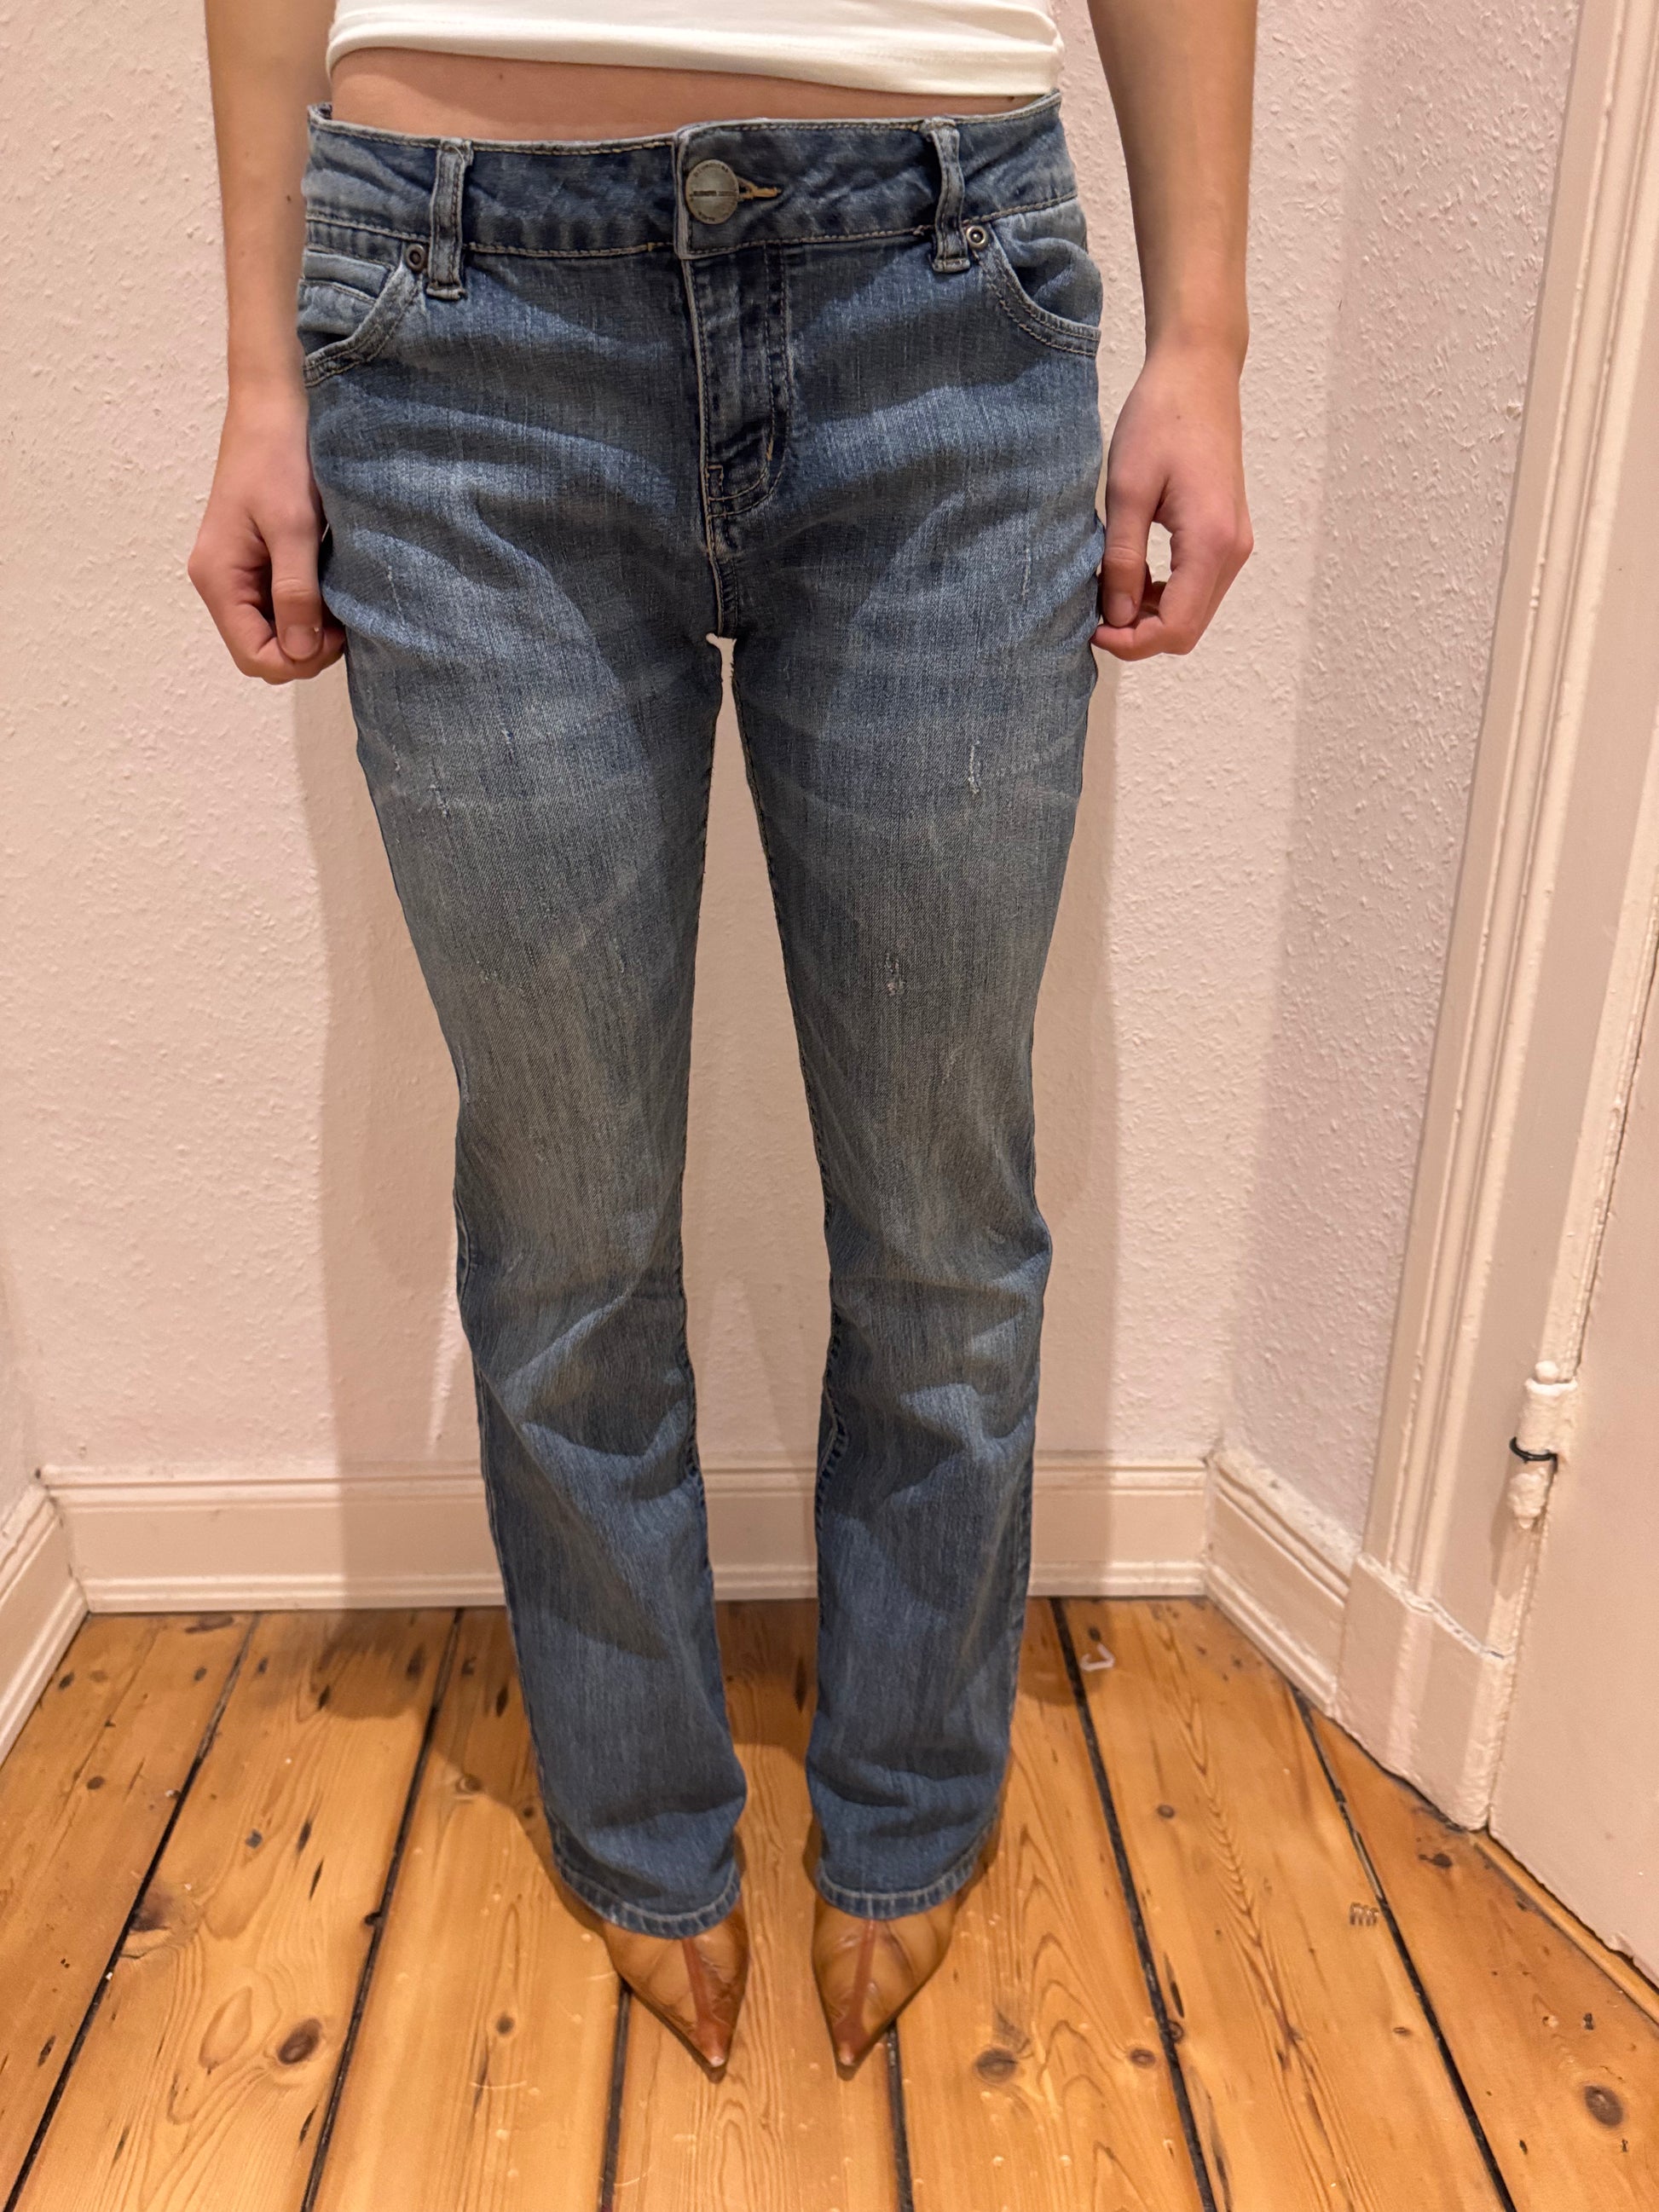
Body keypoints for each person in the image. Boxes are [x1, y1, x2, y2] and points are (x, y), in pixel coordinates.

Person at [189, 0, 1253, 2077]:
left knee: (942, 1211)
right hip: (454, 309)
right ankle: (639, 1823)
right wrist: (255, 371)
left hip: (941, 291)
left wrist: (1202, 334)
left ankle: (910, 1801)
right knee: (564, 1220)